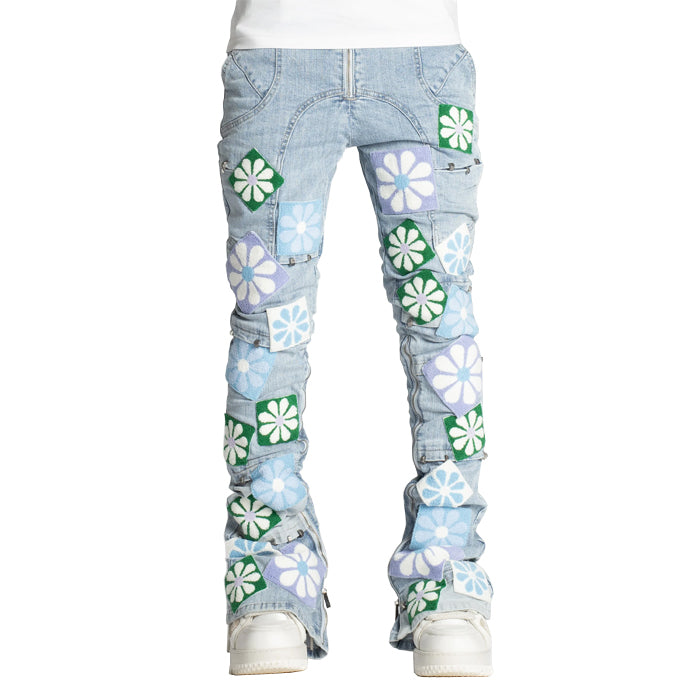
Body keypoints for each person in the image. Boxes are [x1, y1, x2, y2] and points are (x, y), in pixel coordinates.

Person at [217, 0, 493, 677]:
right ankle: (271, 579)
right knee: (269, 329)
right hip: (275, 56)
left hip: (422, 56)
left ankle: (447, 579)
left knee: (441, 330)